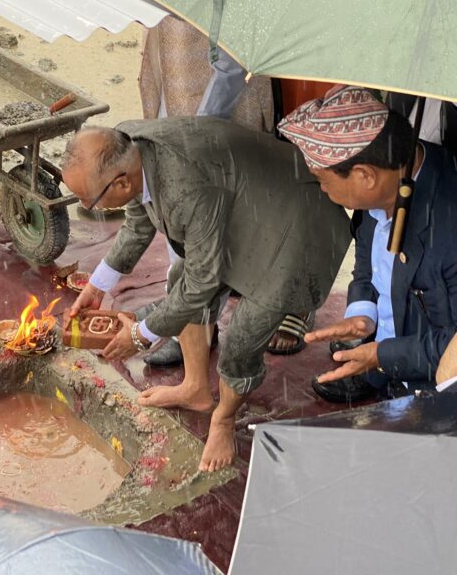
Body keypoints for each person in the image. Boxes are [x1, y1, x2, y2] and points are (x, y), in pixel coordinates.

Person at [62, 118, 350, 471]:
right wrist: (97, 286)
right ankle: (196, 389)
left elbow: (201, 282)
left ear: (121, 182)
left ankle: (224, 419)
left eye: (89, 200)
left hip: (294, 226)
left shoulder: (184, 187)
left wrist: (141, 335)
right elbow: (138, 223)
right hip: (242, 202)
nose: (89, 207)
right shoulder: (128, 150)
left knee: (243, 335)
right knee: (181, 276)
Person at [138, 18, 314, 365]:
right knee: (179, 182)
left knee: (255, 187)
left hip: (231, 49)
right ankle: (192, 317)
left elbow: (239, 48)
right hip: (173, 39)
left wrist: (201, 126)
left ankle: (294, 298)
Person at [279, 85, 457, 402]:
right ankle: (382, 376)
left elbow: (452, 347)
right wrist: (364, 311)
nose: (323, 190)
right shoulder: (386, 184)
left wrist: (381, 355)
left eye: (323, 181)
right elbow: (368, 258)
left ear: (365, 176)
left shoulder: (449, 230)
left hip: (437, 390)